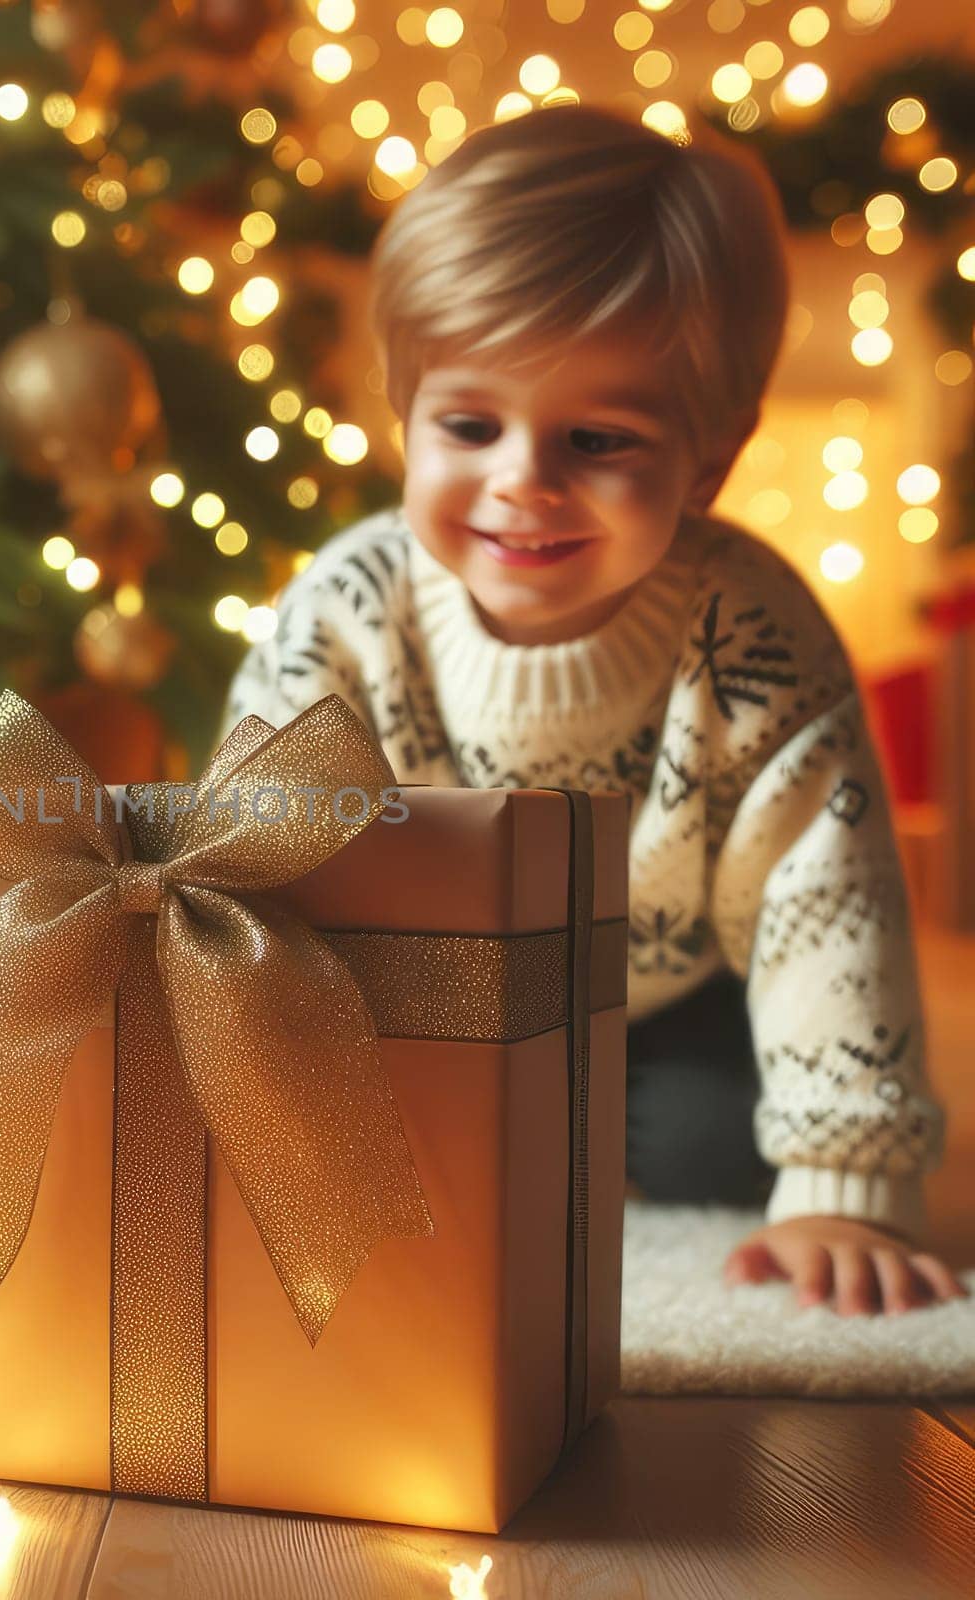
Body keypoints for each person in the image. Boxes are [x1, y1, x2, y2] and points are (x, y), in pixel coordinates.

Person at [221, 104, 965, 1316]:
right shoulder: (348, 606)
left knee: (717, 1163)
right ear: (405, 417)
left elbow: (824, 897)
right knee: (387, 1164)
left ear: (710, 457)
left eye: (596, 437)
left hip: (663, 1004)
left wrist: (841, 1184)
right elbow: (247, 849)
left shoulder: (751, 634)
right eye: (470, 426)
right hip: (421, 1005)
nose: (523, 479)